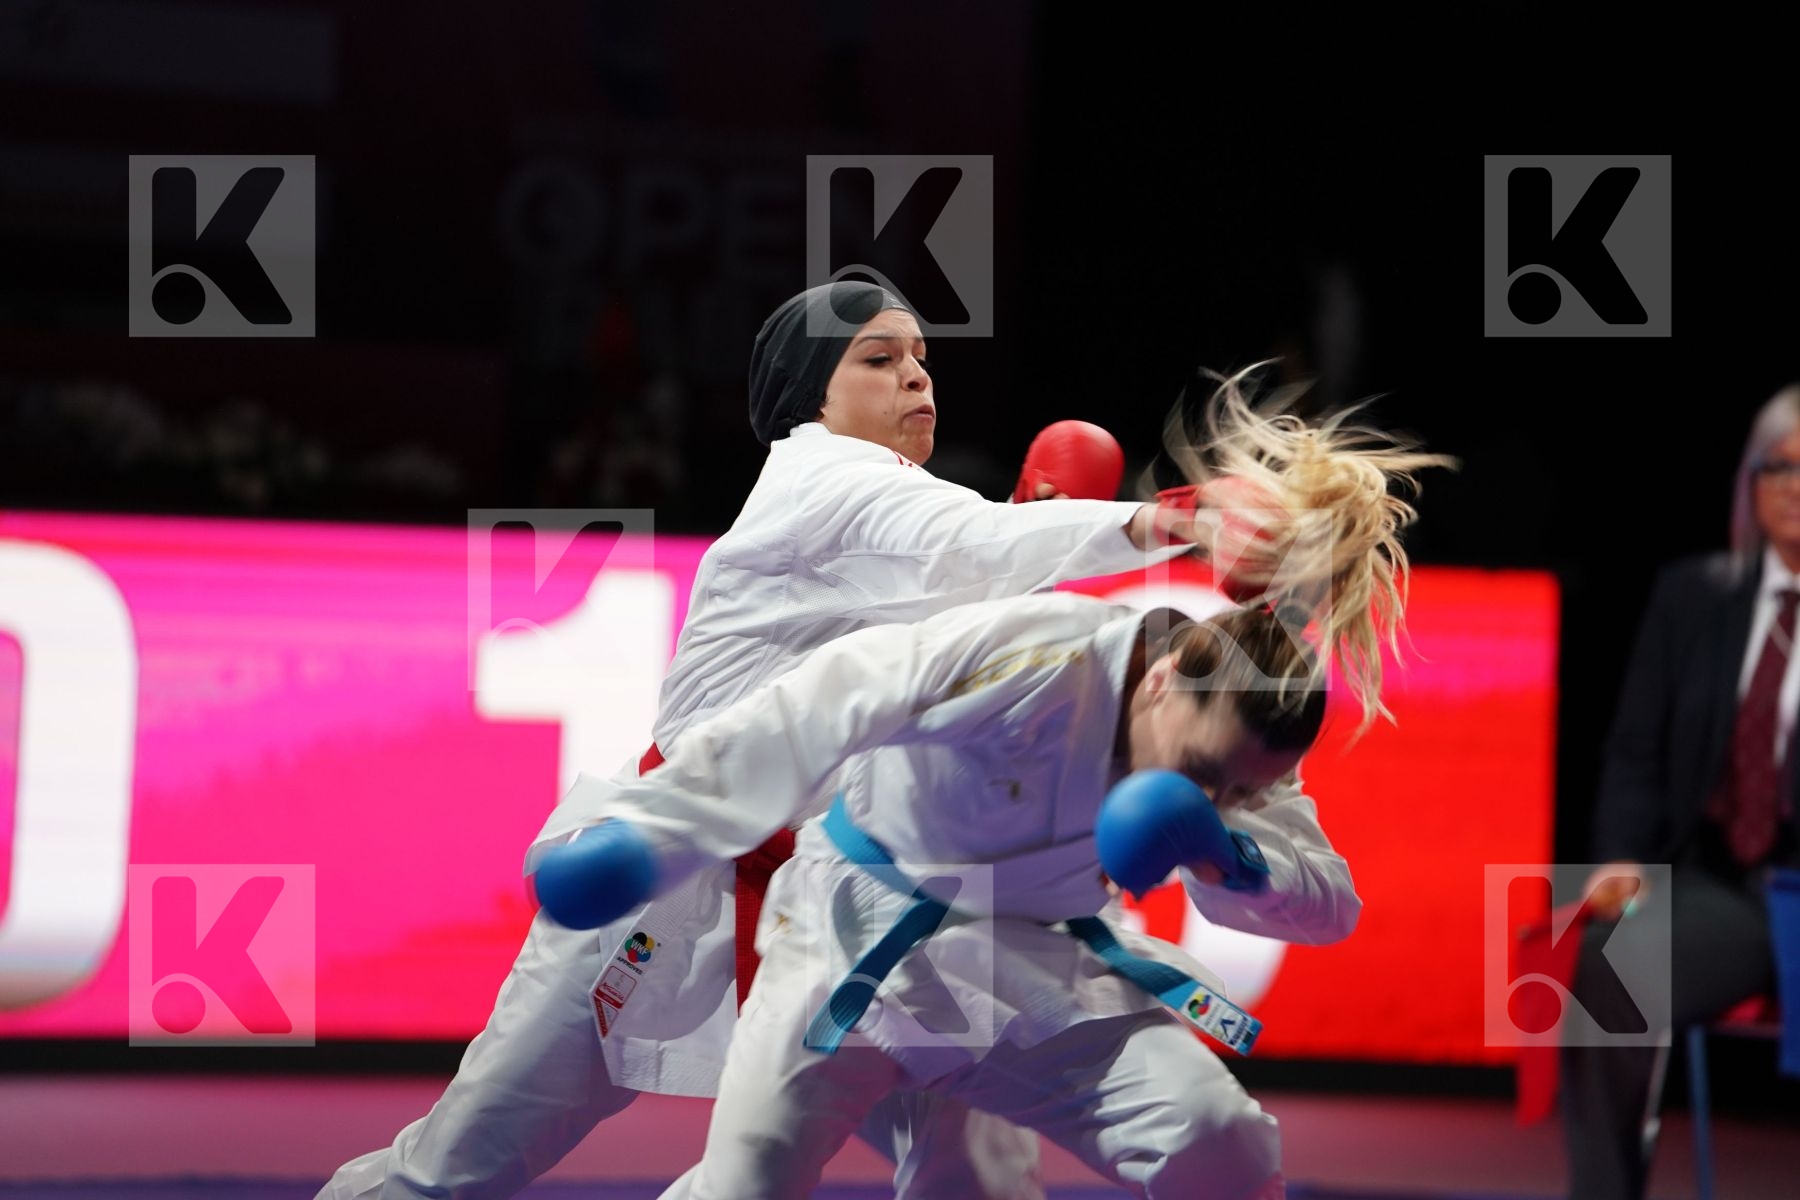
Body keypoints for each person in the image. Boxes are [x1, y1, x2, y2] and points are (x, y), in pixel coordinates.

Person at [320, 280, 1229, 1200]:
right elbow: (966, 542)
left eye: (921, 357)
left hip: (843, 902)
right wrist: (1174, 520)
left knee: (969, 1160)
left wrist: (1029, 552)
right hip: (673, 870)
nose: (915, 376)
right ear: (811, 397)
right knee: (455, 1167)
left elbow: (956, 614)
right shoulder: (819, 477)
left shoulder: (902, 514)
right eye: (878, 360)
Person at [534, 381, 1450, 1199]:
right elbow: (825, 703)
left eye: (1234, 790)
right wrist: (659, 831)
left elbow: (1331, 904)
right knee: (745, 1186)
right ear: (1165, 678)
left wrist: (1235, 857)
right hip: (850, 933)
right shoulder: (1042, 653)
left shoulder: (1243, 754)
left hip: (1033, 961)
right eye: (1205, 772)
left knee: (1220, 1140)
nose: (1206, 791)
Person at [1562, 383, 1800, 1200]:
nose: (1797, 486)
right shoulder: (1691, 597)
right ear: (1750, 481)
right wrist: (1619, 859)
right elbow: (1634, 751)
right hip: (1724, 895)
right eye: (1780, 467)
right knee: (1602, 962)